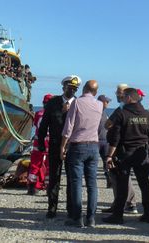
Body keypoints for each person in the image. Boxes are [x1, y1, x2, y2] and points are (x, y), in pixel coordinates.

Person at [102, 88, 149, 224]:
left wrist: (109, 156)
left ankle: (118, 215)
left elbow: (115, 137)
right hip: (140, 153)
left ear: (128, 98)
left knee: (122, 185)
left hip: (124, 153)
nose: (121, 99)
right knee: (145, 185)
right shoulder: (147, 114)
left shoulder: (122, 113)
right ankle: (148, 214)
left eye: (123, 96)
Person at [60, 80, 103, 228]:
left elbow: (68, 127)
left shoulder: (76, 103)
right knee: (92, 184)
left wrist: (62, 147)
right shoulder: (100, 105)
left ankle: (77, 218)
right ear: (95, 92)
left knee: (76, 183)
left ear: (83, 89)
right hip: (93, 146)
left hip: (78, 145)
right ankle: (91, 218)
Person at [38, 75, 81, 219]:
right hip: (55, 144)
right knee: (54, 177)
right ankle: (52, 207)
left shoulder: (79, 103)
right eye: (70, 88)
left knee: (71, 178)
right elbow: (44, 124)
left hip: (72, 146)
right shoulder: (53, 102)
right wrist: (41, 143)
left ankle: (70, 208)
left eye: (75, 89)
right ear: (63, 88)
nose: (72, 91)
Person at [102, 84, 137, 215]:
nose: (116, 95)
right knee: (121, 176)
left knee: (120, 176)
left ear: (125, 94)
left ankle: (125, 203)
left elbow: (108, 124)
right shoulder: (135, 110)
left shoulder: (121, 110)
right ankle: (124, 203)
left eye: (118, 93)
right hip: (130, 146)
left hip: (119, 147)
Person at [27, 94, 53, 195]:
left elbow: (35, 125)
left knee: (35, 164)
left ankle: (32, 187)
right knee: (50, 166)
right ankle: (48, 188)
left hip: (38, 143)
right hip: (50, 143)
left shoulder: (38, 114)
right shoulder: (53, 114)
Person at [97, 95, 112, 188]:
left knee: (107, 161)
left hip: (105, 140)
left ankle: (109, 179)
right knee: (93, 162)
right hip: (96, 140)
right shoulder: (95, 112)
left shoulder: (105, 113)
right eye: (107, 102)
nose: (108, 103)